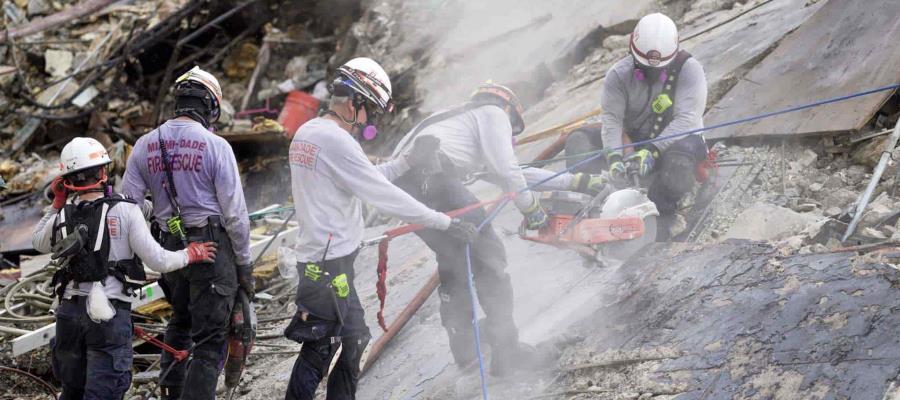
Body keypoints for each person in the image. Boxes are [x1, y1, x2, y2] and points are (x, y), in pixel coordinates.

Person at [284, 57, 479, 400]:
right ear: (354, 101)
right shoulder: (336, 140)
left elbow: (366, 179)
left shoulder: (310, 132)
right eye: (370, 111)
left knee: (352, 337)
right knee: (322, 347)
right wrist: (444, 221)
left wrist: (406, 161)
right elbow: (385, 196)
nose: (368, 121)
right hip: (328, 266)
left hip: (322, 262)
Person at [389, 82, 605, 375]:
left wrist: (574, 181)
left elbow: (509, 172)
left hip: (405, 189)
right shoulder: (492, 113)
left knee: (453, 261)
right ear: (508, 109)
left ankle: (466, 349)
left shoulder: (455, 124)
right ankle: (508, 353)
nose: (510, 135)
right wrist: (533, 212)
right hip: (433, 173)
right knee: (489, 256)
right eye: (513, 129)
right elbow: (507, 170)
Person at [33, 137, 217, 400]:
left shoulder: (62, 214)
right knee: (104, 393)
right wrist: (191, 253)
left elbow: (38, 241)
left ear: (66, 179)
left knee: (72, 392)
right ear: (103, 172)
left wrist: (57, 202)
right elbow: (160, 261)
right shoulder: (126, 211)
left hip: (69, 316)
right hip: (107, 317)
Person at [122, 66, 253, 400]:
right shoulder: (216, 145)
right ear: (210, 106)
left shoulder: (143, 146)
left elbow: (127, 208)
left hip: (170, 249)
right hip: (211, 249)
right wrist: (244, 263)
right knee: (211, 342)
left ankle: (171, 393)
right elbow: (235, 215)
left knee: (180, 323)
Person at [564, 12, 709, 239]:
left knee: (679, 165)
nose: (651, 74)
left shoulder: (690, 70)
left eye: (658, 70)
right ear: (631, 52)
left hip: (677, 142)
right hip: (634, 139)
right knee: (578, 141)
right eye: (644, 68)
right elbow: (612, 120)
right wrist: (614, 157)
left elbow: (687, 119)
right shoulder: (618, 76)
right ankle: (589, 210)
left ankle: (662, 221)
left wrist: (652, 151)